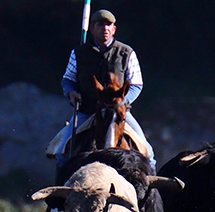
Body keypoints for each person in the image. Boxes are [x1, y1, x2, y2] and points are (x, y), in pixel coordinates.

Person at [55, 9, 156, 172]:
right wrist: (71, 92)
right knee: (62, 153)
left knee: (148, 154)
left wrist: (122, 103)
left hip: (117, 112)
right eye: (100, 25)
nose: (105, 29)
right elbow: (68, 79)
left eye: (109, 25)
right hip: (87, 110)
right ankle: (60, 194)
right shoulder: (79, 53)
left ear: (114, 29)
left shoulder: (126, 53)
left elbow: (137, 84)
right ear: (92, 28)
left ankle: (151, 193)